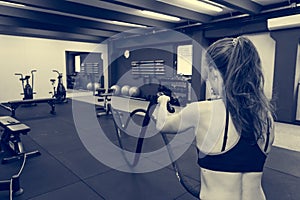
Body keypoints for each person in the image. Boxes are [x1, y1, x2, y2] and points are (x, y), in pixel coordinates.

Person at [154, 36, 275, 200]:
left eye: (208, 73)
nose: (207, 80)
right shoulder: (265, 116)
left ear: (214, 72)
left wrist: (163, 102)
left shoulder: (201, 111)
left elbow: (163, 124)